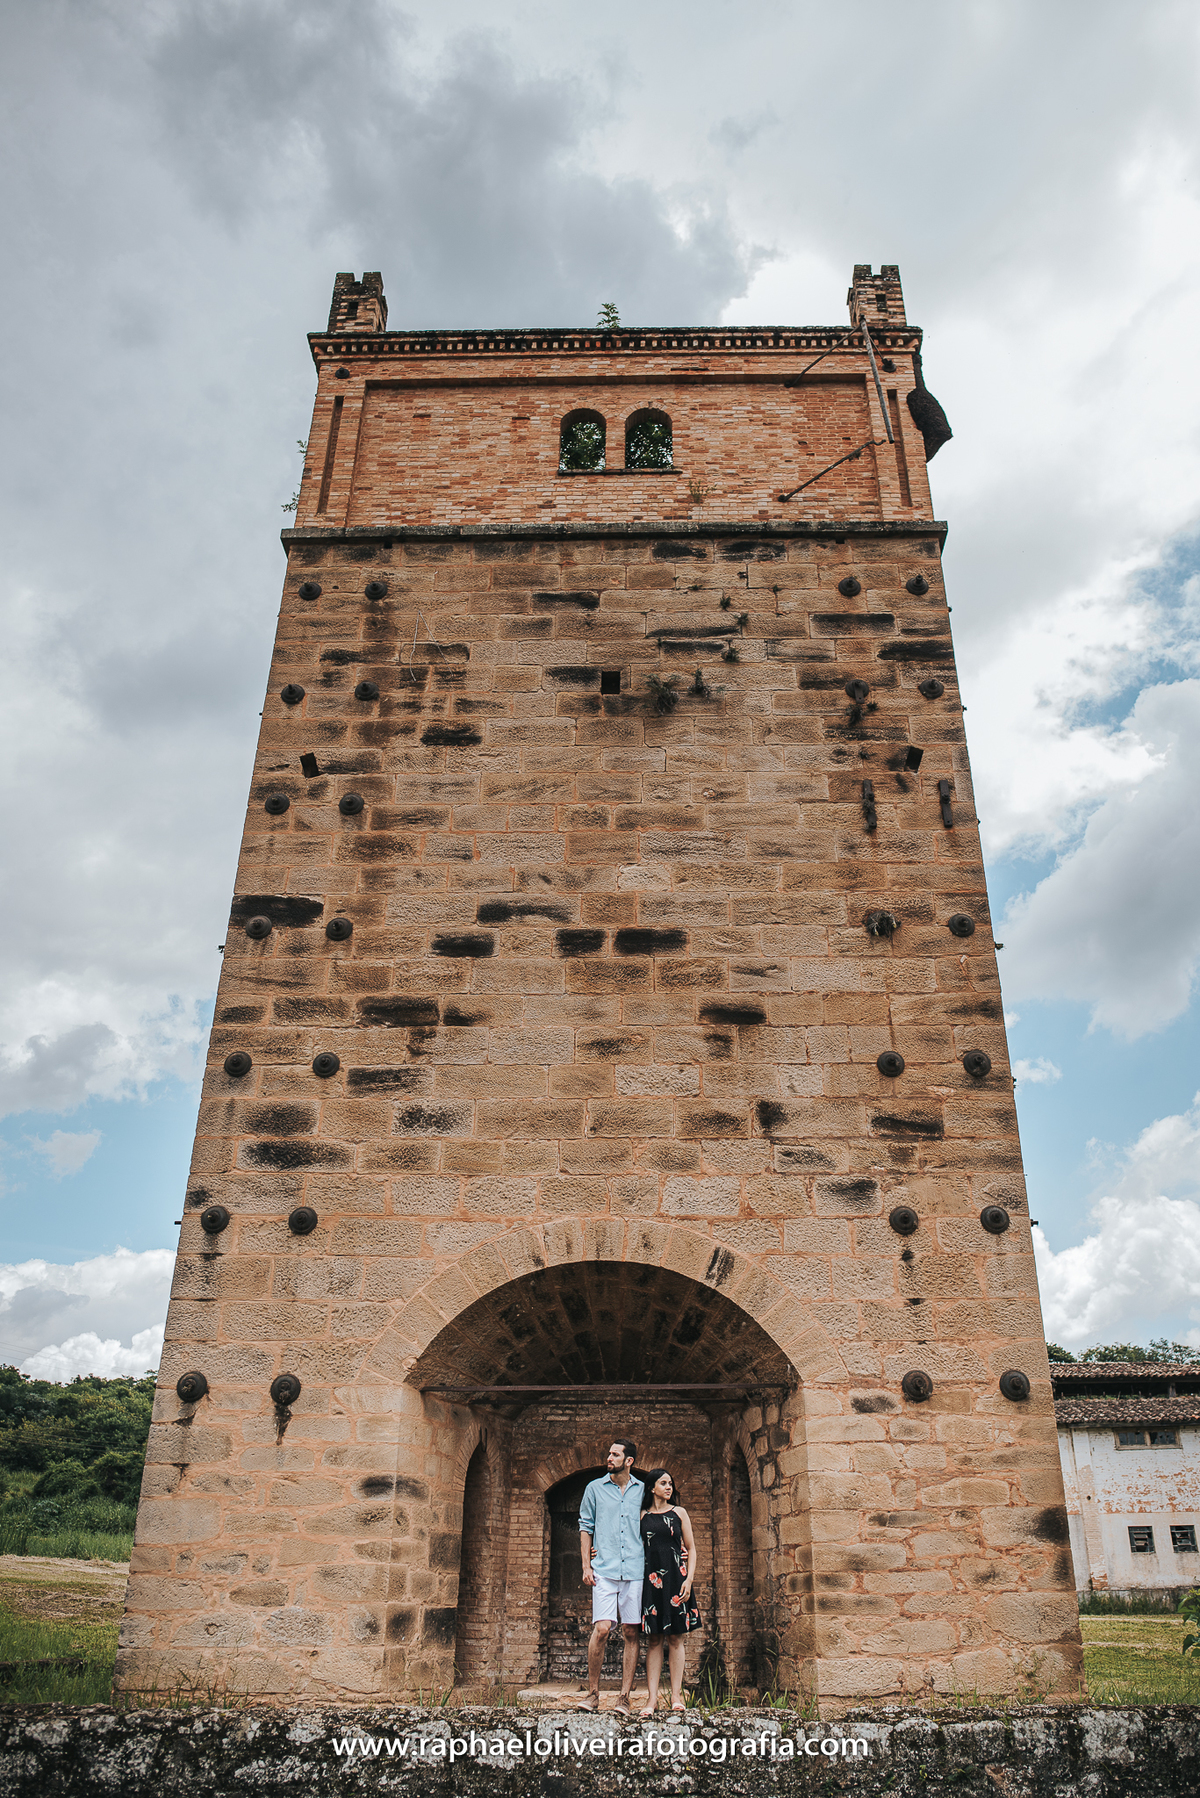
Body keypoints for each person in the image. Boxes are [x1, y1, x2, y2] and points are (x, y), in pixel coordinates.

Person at [576, 1439, 644, 1713]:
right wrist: (585, 1566)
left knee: (631, 1631)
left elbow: (660, 1518)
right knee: (602, 1628)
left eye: (615, 1454)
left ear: (629, 1461)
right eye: (609, 1453)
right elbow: (585, 1527)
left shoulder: (643, 1490)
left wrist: (681, 1550)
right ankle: (593, 1694)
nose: (609, 1457)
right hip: (603, 1568)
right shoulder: (594, 1488)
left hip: (636, 1570)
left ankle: (624, 1697)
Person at [638, 1469, 700, 1715]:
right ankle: (652, 1699)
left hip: (676, 1580)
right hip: (650, 1580)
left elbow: (691, 1549)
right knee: (653, 1639)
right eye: (663, 1483)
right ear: (652, 1488)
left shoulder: (679, 1513)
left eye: (671, 1483)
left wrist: (689, 1580)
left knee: (676, 1637)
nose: (669, 1487)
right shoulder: (641, 1515)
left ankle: (676, 1696)